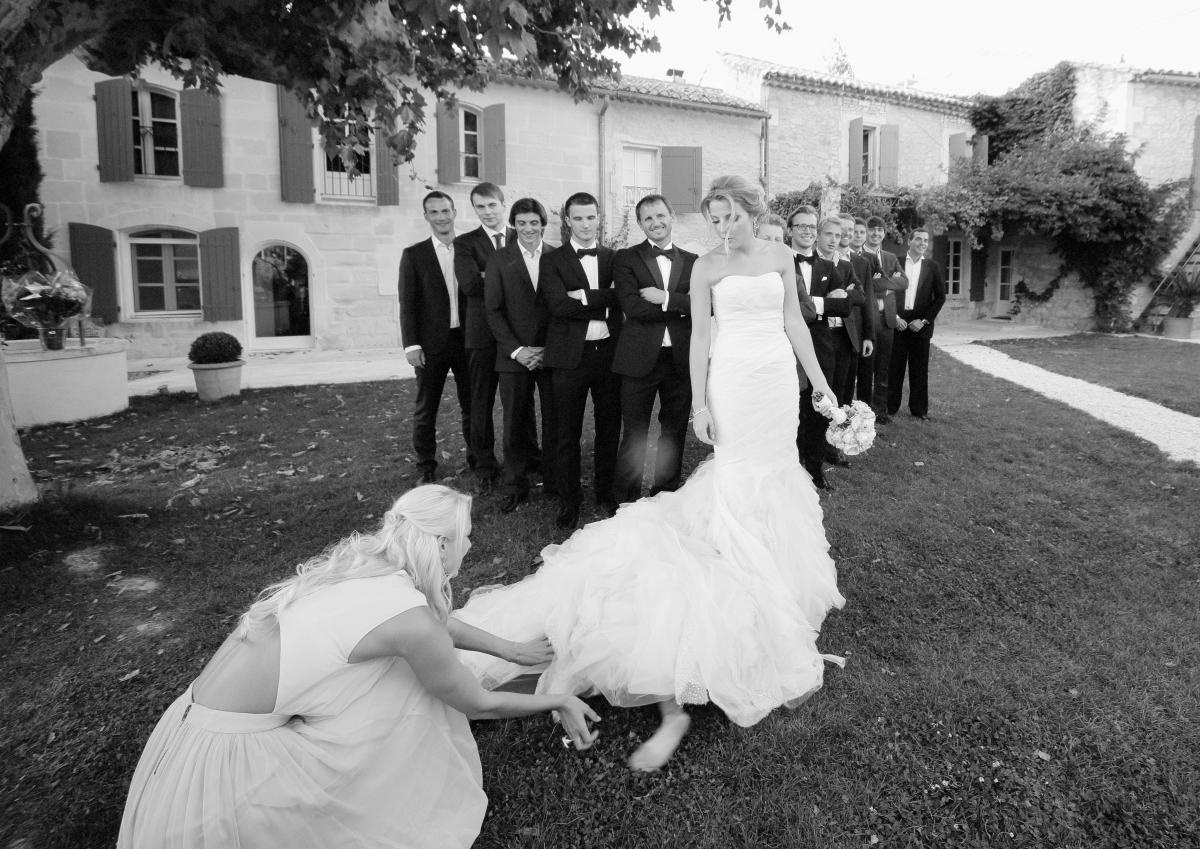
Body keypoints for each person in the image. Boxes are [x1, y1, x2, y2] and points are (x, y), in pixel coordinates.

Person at [456, 176, 845, 773]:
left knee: (776, 472)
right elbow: (703, 336)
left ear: (750, 211)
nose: (721, 228)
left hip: (775, 381)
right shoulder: (707, 268)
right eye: (713, 219)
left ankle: (777, 574)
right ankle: (734, 565)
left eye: (728, 217)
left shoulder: (780, 256)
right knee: (736, 476)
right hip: (733, 379)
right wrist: (703, 402)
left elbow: (795, 320)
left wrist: (818, 384)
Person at [118, 485, 598, 849]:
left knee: (394, 672)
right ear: (442, 546)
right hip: (230, 762)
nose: (470, 547)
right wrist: (556, 697)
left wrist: (510, 651)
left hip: (189, 727)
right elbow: (476, 701)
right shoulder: (408, 618)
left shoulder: (368, 565)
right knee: (410, 686)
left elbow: (433, 627)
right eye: (466, 538)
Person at [539, 191, 623, 529]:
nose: (586, 224)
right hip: (569, 357)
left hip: (609, 355)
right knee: (566, 432)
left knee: (608, 427)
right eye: (579, 218)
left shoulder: (615, 258)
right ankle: (569, 500)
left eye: (591, 217)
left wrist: (586, 298)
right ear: (567, 221)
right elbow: (557, 305)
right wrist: (604, 302)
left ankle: (605, 492)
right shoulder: (552, 260)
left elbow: (622, 299)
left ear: (599, 218)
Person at [612, 194, 697, 502]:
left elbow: (704, 305)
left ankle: (666, 495)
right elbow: (633, 308)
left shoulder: (692, 261)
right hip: (638, 359)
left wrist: (664, 298)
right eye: (648, 218)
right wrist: (681, 306)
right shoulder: (626, 258)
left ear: (671, 216)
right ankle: (626, 500)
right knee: (634, 433)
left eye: (660, 215)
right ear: (639, 224)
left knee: (673, 432)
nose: (655, 222)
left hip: (679, 360)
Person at [485, 198, 557, 514]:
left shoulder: (557, 257)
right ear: (514, 225)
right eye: (522, 223)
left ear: (543, 224)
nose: (528, 228)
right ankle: (515, 485)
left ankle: (555, 479)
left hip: (551, 353)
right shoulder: (499, 260)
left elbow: (561, 309)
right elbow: (494, 311)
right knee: (514, 421)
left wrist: (548, 349)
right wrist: (518, 351)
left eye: (534, 222)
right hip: (513, 355)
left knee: (556, 419)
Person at [399, 191, 472, 484]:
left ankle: (478, 461)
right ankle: (426, 466)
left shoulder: (470, 247)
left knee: (473, 405)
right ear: (426, 216)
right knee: (426, 408)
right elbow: (408, 303)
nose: (441, 217)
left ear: (454, 212)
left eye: (445, 211)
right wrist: (412, 344)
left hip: (468, 341)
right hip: (430, 345)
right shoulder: (414, 255)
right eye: (434, 212)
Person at [455, 183, 515, 495]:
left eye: (492, 205)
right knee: (480, 401)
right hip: (480, 336)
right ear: (474, 210)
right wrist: (511, 279)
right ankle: (484, 464)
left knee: (518, 401)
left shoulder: (522, 235)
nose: (488, 212)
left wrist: (488, 276)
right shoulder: (465, 243)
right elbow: (469, 286)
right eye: (480, 207)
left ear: (503, 204)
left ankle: (526, 456)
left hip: (516, 334)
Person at [788, 207, 849, 489]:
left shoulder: (827, 267)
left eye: (812, 226)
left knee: (817, 409)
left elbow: (846, 305)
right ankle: (787, 467)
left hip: (821, 347)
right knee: (789, 409)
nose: (807, 231)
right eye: (801, 226)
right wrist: (821, 305)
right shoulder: (778, 262)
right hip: (786, 346)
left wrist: (809, 306)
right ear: (790, 230)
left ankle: (813, 470)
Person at [888, 226, 947, 420]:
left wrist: (923, 321)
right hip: (898, 322)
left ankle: (919, 410)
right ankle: (890, 407)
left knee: (919, 371)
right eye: (918, 239)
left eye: (925, 241)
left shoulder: (932, 267)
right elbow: (885, 292)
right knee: (894, 368)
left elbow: (940, 298)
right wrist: (895, 318)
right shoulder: (894, 262)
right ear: (909, 241)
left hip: (920, 326)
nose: (922, 243)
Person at [857, 216, 908, 423]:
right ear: (866, 233)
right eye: (872, 230)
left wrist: (882, 283)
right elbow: (865, 287)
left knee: (883, 369)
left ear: (884, 233)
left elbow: (904, 282)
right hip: (867, 319)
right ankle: (863, 411)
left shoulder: (890, 257)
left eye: (880, 230)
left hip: (887, 319)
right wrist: (886, 283)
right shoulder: (858, 257)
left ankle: (880, 410)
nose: (876, 234)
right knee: (865, 368)